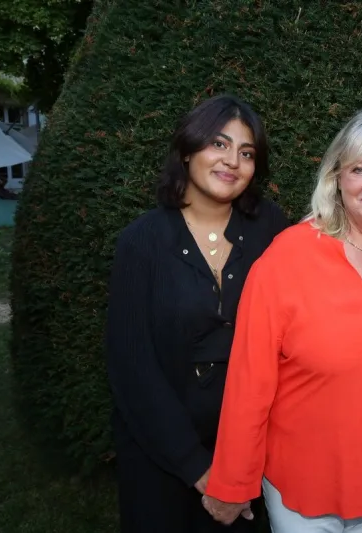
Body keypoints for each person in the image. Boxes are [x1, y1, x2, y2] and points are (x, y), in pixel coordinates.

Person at [200, 108, 362, 533]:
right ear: (336, 177)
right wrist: (233, 482)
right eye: (359, 169)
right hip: (304, 486)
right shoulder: (287, 258)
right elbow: (249, 380)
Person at [105, 94, 289, 533]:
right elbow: (132, 366)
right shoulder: (141, 243)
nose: (232, 161)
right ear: (187, 150)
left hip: (248, 450)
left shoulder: (272, 230)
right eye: (218, 144)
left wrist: (236, 469)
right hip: (160, 452)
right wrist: (201, 471)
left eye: (247, 153)